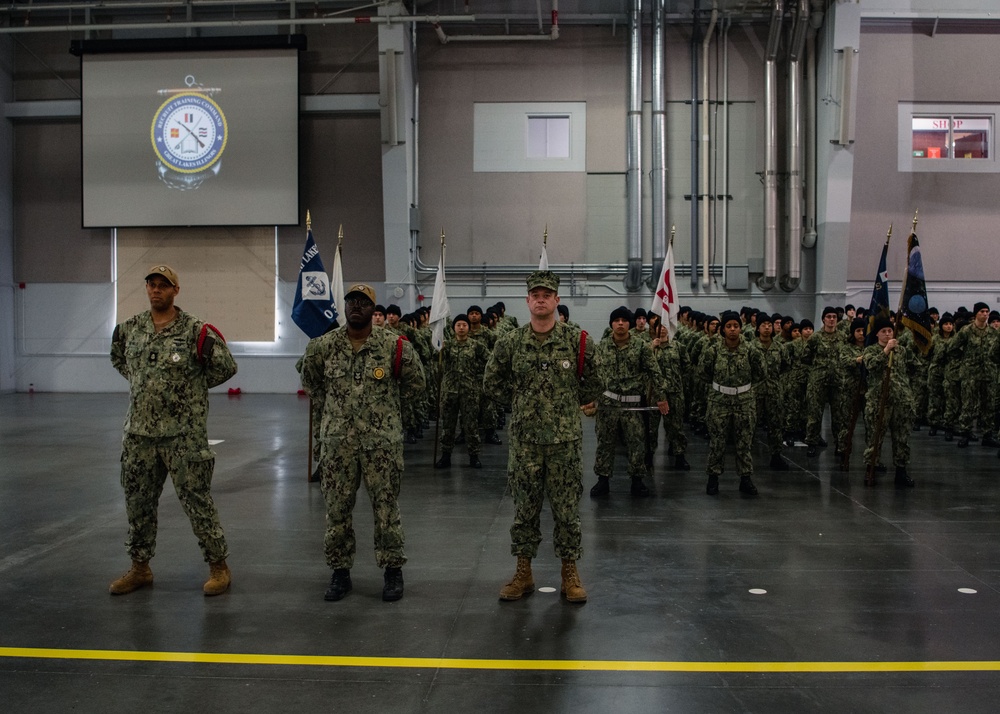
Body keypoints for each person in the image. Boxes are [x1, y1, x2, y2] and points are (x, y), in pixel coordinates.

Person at [108, 265, 237, 596]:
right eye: (151, 284)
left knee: (197, 503)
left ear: (175, 290)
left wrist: (188, 388)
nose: (156, 290)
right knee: (138, 505)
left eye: (163, 285)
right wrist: (148, 385)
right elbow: (121, 361)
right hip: (139, 436)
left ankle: (219, 567)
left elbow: (225, 367)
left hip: (184, 436)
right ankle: (140, 568)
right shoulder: (129, 329)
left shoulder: (196, 331)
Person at [299, 283, 426, 602]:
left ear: (374, 309)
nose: (356, 306)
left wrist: (388, 413)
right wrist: (336, 413)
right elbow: (311, 382)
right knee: (337, 509)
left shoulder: (394, 345)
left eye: (364, 302)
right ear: (344, 307)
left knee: (386, 509)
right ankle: (340, 572)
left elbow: (416, 383)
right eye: (351, 301)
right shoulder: (323, 346)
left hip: (381, 445)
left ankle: (392, 571)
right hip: (338, 445)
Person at [483, 270, 600, 603]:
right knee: (524, 509)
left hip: (565, 443)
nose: (540, 299)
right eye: (535, 294)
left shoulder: (578, 341)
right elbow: (491, 382)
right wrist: (520, 404)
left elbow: (595, 380)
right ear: (527, 301)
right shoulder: (510, 342)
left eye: (547, 294)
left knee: (566, 511)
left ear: (557, 300)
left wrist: (578, 403)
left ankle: (569, 573)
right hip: (525, 444)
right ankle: (523, 572)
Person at [586, 306, 670, 498]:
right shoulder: (602, 346)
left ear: (629, 324)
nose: (621, 324)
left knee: (636, 443)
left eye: (624, 320)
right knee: (605, 443)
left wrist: (661, 397)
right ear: (611, 324)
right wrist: (590, 399)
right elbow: (594, 375)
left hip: (633, 405)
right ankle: (603, 480)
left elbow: (654, 372)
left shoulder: (641, 346)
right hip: (608, 405)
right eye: (617, 321)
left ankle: (637, 480)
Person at [699, 311, 766, 496]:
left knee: (744, 442)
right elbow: (703, 373)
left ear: (740, 328)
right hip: (719, 401)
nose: (732, 330)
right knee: (717, 442)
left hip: (744, 401)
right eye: (728, 326)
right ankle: (713, 478)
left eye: (736, 326)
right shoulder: (713, 349)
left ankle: (745, 478)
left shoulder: (751, 349)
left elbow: (760, 373)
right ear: (722, 329)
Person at [862, 317, 916, 488]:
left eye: (889, 331)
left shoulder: (902, 351)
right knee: (875, 437)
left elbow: (914, 367)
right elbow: (870, 365)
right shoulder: (870, 350)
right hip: (879, 401)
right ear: (877, 333)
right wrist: (885, 350)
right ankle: (871, 468)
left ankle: (901, 471)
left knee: (901, 438)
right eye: (883, 331)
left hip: (901, 401)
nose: (887, 334)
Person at [435, 314, 490, 469]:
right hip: (450, 391)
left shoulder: (476, 345)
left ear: (468, 327)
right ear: (453, 328)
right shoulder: (447, 345)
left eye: (464, 325)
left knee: (471, 425)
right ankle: (445, 456)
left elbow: (489, 359)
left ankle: (474, 456)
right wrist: (439, 349)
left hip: (470, 391)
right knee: (448, 425)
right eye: (458, 325)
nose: (461, 327)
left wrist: (479, 375)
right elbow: (433, 358)